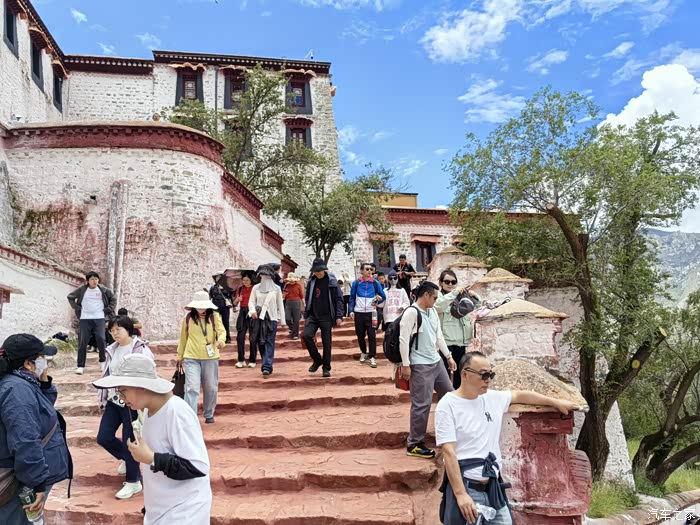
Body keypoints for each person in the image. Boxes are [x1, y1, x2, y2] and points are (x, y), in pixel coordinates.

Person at [435, 351, 578, 525]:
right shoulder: (448, 405)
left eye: (491, 375)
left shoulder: (492, 398)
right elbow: (448, 452)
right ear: (465, 374)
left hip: (493, 487)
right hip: (468, 487)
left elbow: (520, 395)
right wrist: (460, 494)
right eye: (484, 375)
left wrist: (556, 402)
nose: (488, 380)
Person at [93, 354, 212, 524]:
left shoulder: (176, 412)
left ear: (142, 386)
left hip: (184, 512)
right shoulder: (149, 410)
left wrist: (151, 458)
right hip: (161, 511)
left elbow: (198, 467)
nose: (121, 398)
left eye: (123, 390)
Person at [0, 334, 71, 524]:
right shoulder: (17, 390)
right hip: (20, 481)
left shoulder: (22, 383)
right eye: (41, 358)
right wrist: (36, 482)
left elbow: (41, 413)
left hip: (25, 475)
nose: (45, 362)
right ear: (28, 364)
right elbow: (25, 439)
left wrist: (44, 383)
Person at [95, 315, 154, 500]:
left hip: (132, 402)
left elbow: (150, 373)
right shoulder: (112, 349)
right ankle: (128, 460)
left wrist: (144, 399)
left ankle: (133, 481)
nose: (114, 333)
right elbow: (107, 373)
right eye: (111, 330)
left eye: (117, 329)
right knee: (104, 437)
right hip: (114, 400)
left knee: (130, 440)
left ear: (128, 329)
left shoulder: (140, 349)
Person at [399, 281, 456, 459]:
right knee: (422, 404)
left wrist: (448, 356)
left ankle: (450, 432)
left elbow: (438, 336)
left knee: (449, 395)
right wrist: (406, 364)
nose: (436, 300)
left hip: (436, 361)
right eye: (435, 297)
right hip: (419, 364)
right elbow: (403, 339)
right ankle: (414, 443)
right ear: (426, 295)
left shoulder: (432, 312)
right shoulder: (411, 312)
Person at [176, 291, 226, 424]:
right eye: (198, 306)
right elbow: (183, 338)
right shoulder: (188, 318)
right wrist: (180, 355)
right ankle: (190, 417)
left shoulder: (214, 316)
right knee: (192, 387)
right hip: (191, 357)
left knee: (211, 387)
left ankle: (209, 413)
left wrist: (221, 341)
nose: (200, 309)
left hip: (210, 357)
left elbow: (222, 331)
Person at [435, 270, 481, 389]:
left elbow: (476, 306)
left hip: (461, 339)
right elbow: (439, 306)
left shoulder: (460, 295)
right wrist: (454, 293)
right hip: (446, 340)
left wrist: (474, 296)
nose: (450, 284)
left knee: (460, 372)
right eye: (447, 281)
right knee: (444, 373)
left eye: (453, 282)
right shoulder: (439, 296)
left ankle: (459, 394)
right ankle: (445, 395)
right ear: (441, 283)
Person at [67, 271, 117, 375]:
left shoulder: (103, 290)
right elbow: (70, 296)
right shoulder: (82, 290)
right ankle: (80, 366)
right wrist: (76, 307)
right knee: (83, 341)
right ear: (88, 280)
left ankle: (102, 361)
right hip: (85, 318)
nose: (94, 281)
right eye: (92, 279)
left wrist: (109, 308)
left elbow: (113, 298)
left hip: (99, 318)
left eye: (96, 279)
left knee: (101, 338)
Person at [303, 258, 345, 378]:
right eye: (315, 271)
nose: (318, 273)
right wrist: (307, 313)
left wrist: (339, 315)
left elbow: (339, 299)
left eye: (319, 270)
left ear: (324, 270)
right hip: (313, 315)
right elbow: (308, 298)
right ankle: (317, 360)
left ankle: (326, 367)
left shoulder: (332, 282)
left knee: (327, 343)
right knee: (306, 335)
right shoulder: (311, 282)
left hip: (327, 316)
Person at [248, 265, 286, 378]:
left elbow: (280, 305)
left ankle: (266, 366)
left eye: (267, 276)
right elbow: (251, 302)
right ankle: (266, 361)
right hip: (258, 318)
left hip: (272, 318)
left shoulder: (276, 289)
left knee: (269, 341)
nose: (265, 278)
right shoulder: (256, 288)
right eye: (263, 275)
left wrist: (283, 320)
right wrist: (252, 310)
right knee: (260, 342)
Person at [349, 263, 386, 368]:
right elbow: (352, 298)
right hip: (359, 313)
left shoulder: (375, 283)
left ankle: (372, 356)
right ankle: (363, 352)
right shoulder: (356, 283)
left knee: (372, 335)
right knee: (360, 334)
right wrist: (351, 310)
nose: (369, 271)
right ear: (361, 271)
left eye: (370, 269)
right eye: (367, 269)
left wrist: (378, 300)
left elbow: (383, 296)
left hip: (372, 313)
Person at [233, 272, 255, 368]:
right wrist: (238, 300)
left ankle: (252, 360)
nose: (245, 282)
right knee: (240, 337)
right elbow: (234, 303)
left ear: (251, 280)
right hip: (242, 312)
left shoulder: (255, 289)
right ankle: (241, 360)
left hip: (252, 312)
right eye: (244, 280)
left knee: (252, 338)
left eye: (247, 280)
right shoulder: (240, 289)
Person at [209, 272, 232, 344]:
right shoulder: (212, 288)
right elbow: (210, 297)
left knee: (226, 322)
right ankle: (216, 337)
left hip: (224, 306)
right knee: (215, 322)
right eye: (217, 277)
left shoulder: (227, 287)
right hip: (215, 306)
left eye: (220, 277)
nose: (218, 278)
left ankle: (227, 338)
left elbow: (230, 295)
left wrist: (223, 289)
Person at [283, 273, 304, 340]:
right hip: (288, 303)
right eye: (290, 280)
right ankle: (292, 328)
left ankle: (295, 334)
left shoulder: (298, 286)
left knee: (296, 319)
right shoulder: (287, 285)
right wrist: (284, 295)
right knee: (287, 318)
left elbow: (301, 295)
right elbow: (283, 295)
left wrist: (304, 303)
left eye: (292, 280)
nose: (291, 281)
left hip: (296, 302)